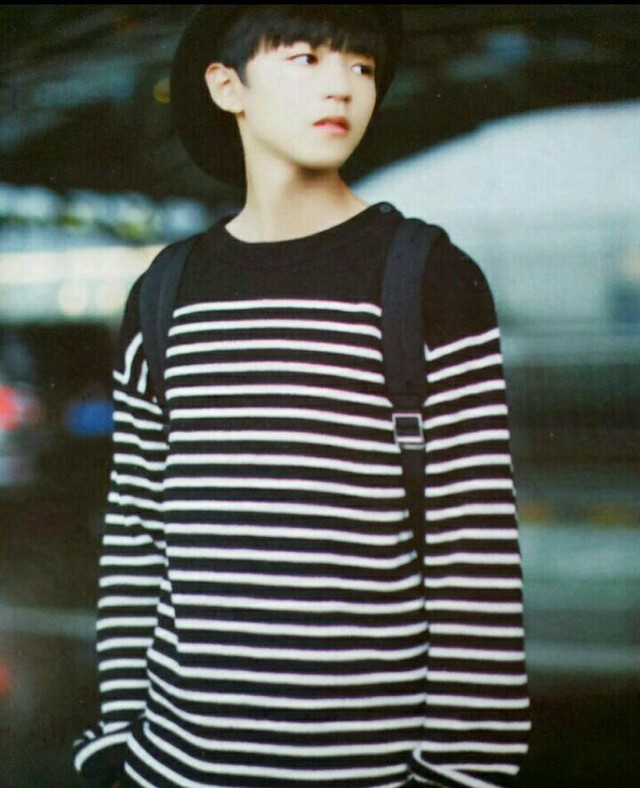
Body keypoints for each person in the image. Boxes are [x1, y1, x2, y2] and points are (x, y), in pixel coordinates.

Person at [73, 5, 531, 787]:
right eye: (307, 59)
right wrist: (120, 739)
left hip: (371, 771)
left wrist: (458, 773)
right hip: (174, 768)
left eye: (362, 67)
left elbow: (474, 553)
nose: (343, 87)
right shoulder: (165, 292)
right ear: (227, 86)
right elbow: (137, 536)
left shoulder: (429, 280)